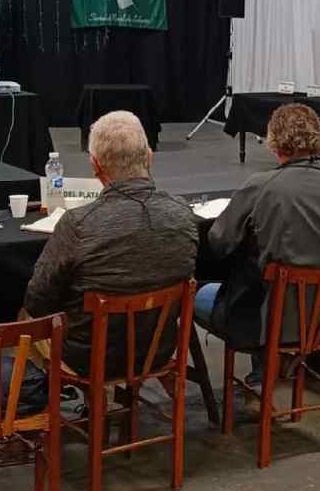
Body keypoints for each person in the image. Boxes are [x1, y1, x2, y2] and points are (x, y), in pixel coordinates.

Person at [195, 103, 320, 380]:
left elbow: (219, 244)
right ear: (319, 140)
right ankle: (313, 358)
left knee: (199, 294)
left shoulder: (259, 188)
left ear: (274, 143)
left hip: (266, 323)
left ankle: (264, 370)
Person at [23, 111, 198, 376]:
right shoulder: (182, 213)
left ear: (95, 165)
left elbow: (37, 302)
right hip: (159, 352)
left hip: (90, 359)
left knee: (23, 319)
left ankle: (43, 407)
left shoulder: (78, 223)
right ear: (149, 156)